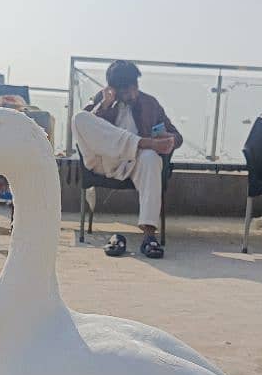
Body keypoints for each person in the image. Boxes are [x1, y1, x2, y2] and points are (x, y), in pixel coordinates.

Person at [72, 60, 182, 258]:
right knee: (79, 118)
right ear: (113, 89)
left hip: (134, 163)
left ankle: (149, 234)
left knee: (151, 158)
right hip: (103, 161)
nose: (133, 94)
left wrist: (171, 139)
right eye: (127, 91)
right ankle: (142, 142)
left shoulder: (150, 103)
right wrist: (103, 107)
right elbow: (86, 130)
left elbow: (176, 135)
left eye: (135, 88)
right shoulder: (100, 100)